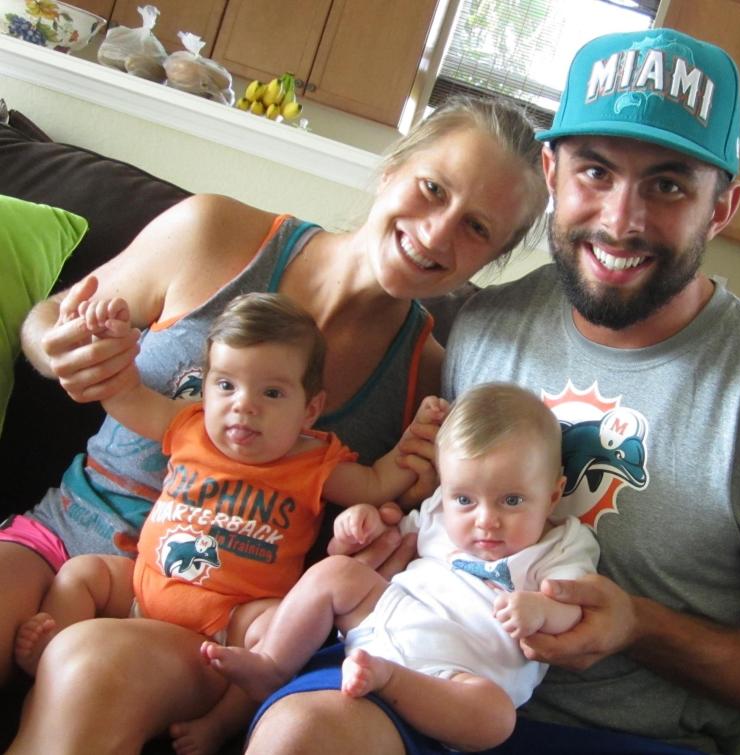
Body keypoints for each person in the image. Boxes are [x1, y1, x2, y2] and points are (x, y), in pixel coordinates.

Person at [247, 29, 740, 755]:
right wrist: (373, 533)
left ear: (722, 208)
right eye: (595, 172)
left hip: (621, 736)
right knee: (297, 735)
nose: (621, 220)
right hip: (422, 677)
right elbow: (433, 510)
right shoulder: (486, 326)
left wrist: (639, 626)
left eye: (669, 184)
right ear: (551, 172)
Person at [2, 94, 548, 755]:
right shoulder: (215, 233)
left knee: (91, 667)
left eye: (477, 228)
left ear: (490, 261)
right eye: (432, 189)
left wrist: (372, 536)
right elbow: (50, 317)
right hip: (60, 539)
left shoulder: (425, 384)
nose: (437, 233)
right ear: (392, 170)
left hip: (206, 612)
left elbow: (415, 534)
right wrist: (58, 345)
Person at [202, 382, 599, 752]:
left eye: (511, 501)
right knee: (337, 572)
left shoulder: (562, 545)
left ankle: (389, 679)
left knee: (496, 718)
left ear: (552, 495)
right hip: (389, 618)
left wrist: (543, 611)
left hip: (457, 676)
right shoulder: (438, 513)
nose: (485, 520)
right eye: (464, 499)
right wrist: (362, 524)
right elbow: (389, 537)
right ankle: (272, 663)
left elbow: (576, 609)